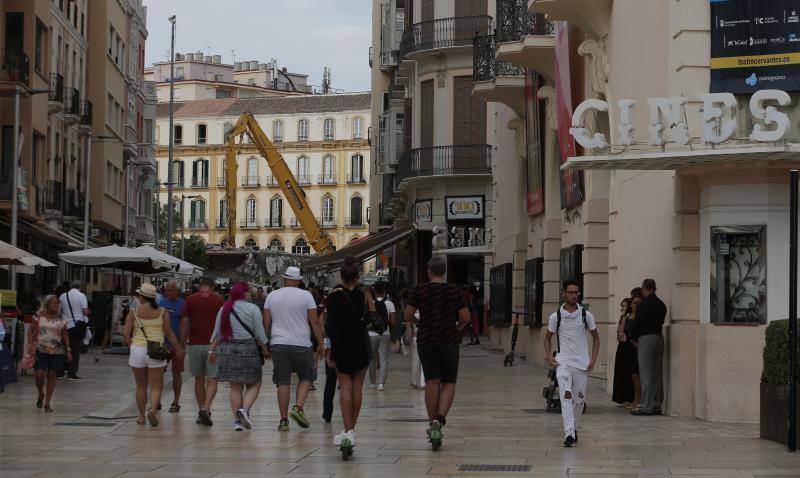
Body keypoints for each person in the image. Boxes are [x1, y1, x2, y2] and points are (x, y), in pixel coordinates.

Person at [404, 256, 470, 445]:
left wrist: (420, 322)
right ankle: (440, 420)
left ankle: (432, 422)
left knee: (432, 382)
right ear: (444, 272)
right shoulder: (454, 291)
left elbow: (408, 315)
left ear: (429, 272)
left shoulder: (420, 290)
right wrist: (456, 328)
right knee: (449, 382)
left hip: (427, 340)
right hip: (448, 340)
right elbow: (465, 317)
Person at [263, 266, 326, 432]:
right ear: (298, 280)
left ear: (284, 279)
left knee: (283, 382)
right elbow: (314, 322)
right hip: (302, 343)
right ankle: (298, 408)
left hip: (278, 343)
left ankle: (283, 421)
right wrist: (321, 343)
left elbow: (266, 323)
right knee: (306, 377)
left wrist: (265, 344)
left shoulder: (272, 296)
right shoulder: (306, 296)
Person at [324, 257, 375, 447]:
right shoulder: (364, 296)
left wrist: (328, 349)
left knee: (345, 388)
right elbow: (372, 319)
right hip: (360, 345)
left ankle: (347, 430)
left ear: (341, 276)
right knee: (357, 389)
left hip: (340, 346)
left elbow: (329, 326)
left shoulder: (332, 298)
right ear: (358, 276)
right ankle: (352, 428)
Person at [543, 279, 600, 447]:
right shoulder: (556, 316)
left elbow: (596, 339)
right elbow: (547, 338)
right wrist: (550, 357)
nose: (574, 295)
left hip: (581, 365)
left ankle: (574, 429)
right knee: (565, 396)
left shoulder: (586, 315)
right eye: (570, 292)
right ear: (564, 294)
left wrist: (593, 360)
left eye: (576, 292)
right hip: (563, 363)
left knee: (579, 401)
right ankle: (568, 434)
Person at [208, 282, 268, 431]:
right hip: (248, 349)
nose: (251, 295)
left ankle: (237, 422)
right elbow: (260, 334)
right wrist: (266, 349)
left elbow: (217, 333)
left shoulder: (224, 308)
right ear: (244, 293)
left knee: (235, 387)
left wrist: (211, 351)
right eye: (249, 292)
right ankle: (245, 410)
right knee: (255, 383)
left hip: (228, 350)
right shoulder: (252, 309)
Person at [123, 283, 184, 427]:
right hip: (156, 351)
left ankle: (141, 417)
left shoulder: (134, 311)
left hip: (138, 349)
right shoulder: (162, 312)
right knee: (156, 385)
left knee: (140, 385)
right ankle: (153, 411)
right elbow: (169, 333)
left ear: (142, 297)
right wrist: (178, 347)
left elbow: (125, 333)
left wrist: (132, 346)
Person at [181, 277, 224, 427]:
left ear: (200, 287)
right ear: (212, 287)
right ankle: (206, 407)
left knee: (199, 379)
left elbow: (185, 322)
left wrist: (182, 343)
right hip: (214, 345)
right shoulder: (219, 300)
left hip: (195, 345)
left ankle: (201, 410)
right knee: (212, 378)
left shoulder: (190, 299)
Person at [629, 278, 667, 416]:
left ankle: (646, 406)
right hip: (659, 337)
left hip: (646, 339)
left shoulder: (644, 305)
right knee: (657, 373)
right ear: (655, 288)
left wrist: (633, 337)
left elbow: (638, 322)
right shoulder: (661, 304)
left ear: (644, 288)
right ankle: (657, 404)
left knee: (646, 373)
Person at [31, 295, 72, 412]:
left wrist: (68, 349)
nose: (56, 305)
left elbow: (65, 334)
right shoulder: (38, 315)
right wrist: (31, 345)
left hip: (57, 350)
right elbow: (31, 331)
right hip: (40, 349)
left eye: (57, 303)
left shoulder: (61, 318)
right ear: (47, 304)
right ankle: (40, 393)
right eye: (54, 303)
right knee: (39, 374)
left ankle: (47, 403)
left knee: (52, 374)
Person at [158, 280, 186, 413]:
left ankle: (176, 401)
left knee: (176, 373)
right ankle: (156, 400)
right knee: (158, 373)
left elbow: (186, 324)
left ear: (177, 291)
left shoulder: (183, 304)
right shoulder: (161, 303)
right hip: (162, 344)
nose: (167, 292)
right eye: (166, 290)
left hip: (177, 344)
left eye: (170, 290)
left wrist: (182, 344)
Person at [321, 284, 344, 423]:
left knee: (330, 382)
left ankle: (327, 413)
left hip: (334, 351)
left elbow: (327, 335)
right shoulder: (351, 311)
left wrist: (328, 351)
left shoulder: (330, 313)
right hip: (345, 351)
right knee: (345, 384)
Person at [58, 280, 89, 380]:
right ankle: (71, 373)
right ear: (80, 287)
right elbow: (84, 312)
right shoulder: (82, 296)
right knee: (75, 351)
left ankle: (60, 372)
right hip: (77, 326)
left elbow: (60, 311)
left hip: (65, 326)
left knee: (64, 350)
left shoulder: (63, 296)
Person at [368, 282, 395, 391]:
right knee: (384, 359)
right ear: (384, 291)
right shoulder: (389, 304)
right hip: (385, 334)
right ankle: (381, 384)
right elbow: (393, 322)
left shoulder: (370, 303)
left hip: (371, 334)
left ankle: (372, 383)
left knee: (372, 359)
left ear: (374, 291)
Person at [612, 298, 635, 406]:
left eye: (625, 305)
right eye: (622, 305)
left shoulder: (630, 317)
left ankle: (630, 398)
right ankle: (622, 397)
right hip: (622, 346)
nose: (622, 308)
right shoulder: (622, 317)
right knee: (620, 371)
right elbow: (619, 332)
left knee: (628, 371)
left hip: (629, 346)